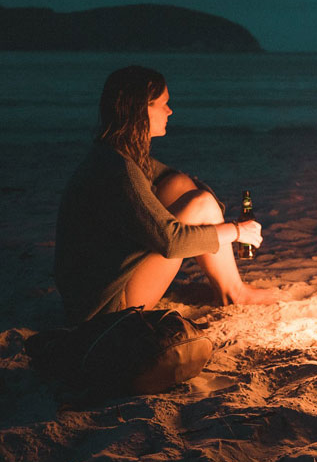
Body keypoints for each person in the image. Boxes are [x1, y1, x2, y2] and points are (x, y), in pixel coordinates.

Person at [55, 66, 275, 325]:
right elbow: (172, 243)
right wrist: (237, 231)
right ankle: (234, 292)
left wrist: (214, 212)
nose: (170, 111)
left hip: (94, 290)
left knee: (180, 184)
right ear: (140, 110)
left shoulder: (115, 154)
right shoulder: (119, 170)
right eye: (163, 104)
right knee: (201, 204)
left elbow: (185, 183)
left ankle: (231, 287)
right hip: (106, 309)